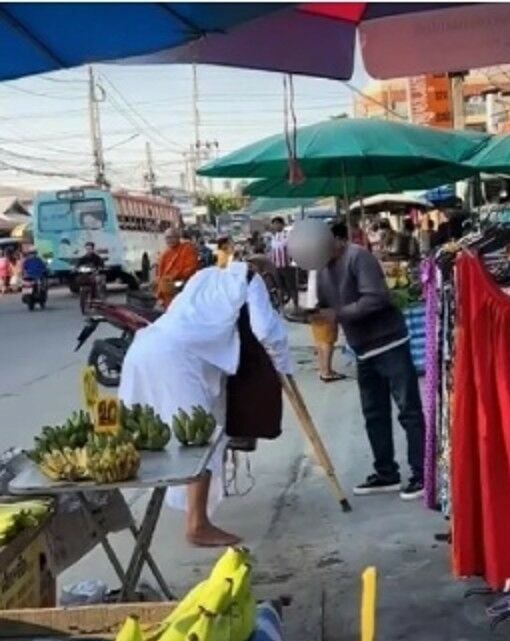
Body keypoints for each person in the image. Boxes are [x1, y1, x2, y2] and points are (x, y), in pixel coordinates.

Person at [119, 261, 293, 546]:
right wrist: (282, 366)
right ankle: (197, 524)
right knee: (199, 439)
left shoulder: (205, 276)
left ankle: (182, 511)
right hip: (178, 357)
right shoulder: (251, 280)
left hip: (146, 347)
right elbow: (266, 330)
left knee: (155, 431)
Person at [315, 221, 425, 498]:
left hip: (389, 342)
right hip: (362, 348)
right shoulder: (323, 269)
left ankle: (421, 473)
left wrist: (337, 314)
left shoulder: (358, 257)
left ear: (337, 240)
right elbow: (325, 306)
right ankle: (386, 472)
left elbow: (375, 298)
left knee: (408, 410)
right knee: (374, 414)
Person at [156, 225, 200, 308]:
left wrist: (173, 276)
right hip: (168, 288)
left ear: (178, 237)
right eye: (167, 238)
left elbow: (191, 267)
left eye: (172, 237)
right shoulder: (164, 254)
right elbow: (160, 274)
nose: (169, 240)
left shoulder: (188, 249)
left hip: (182, 283)